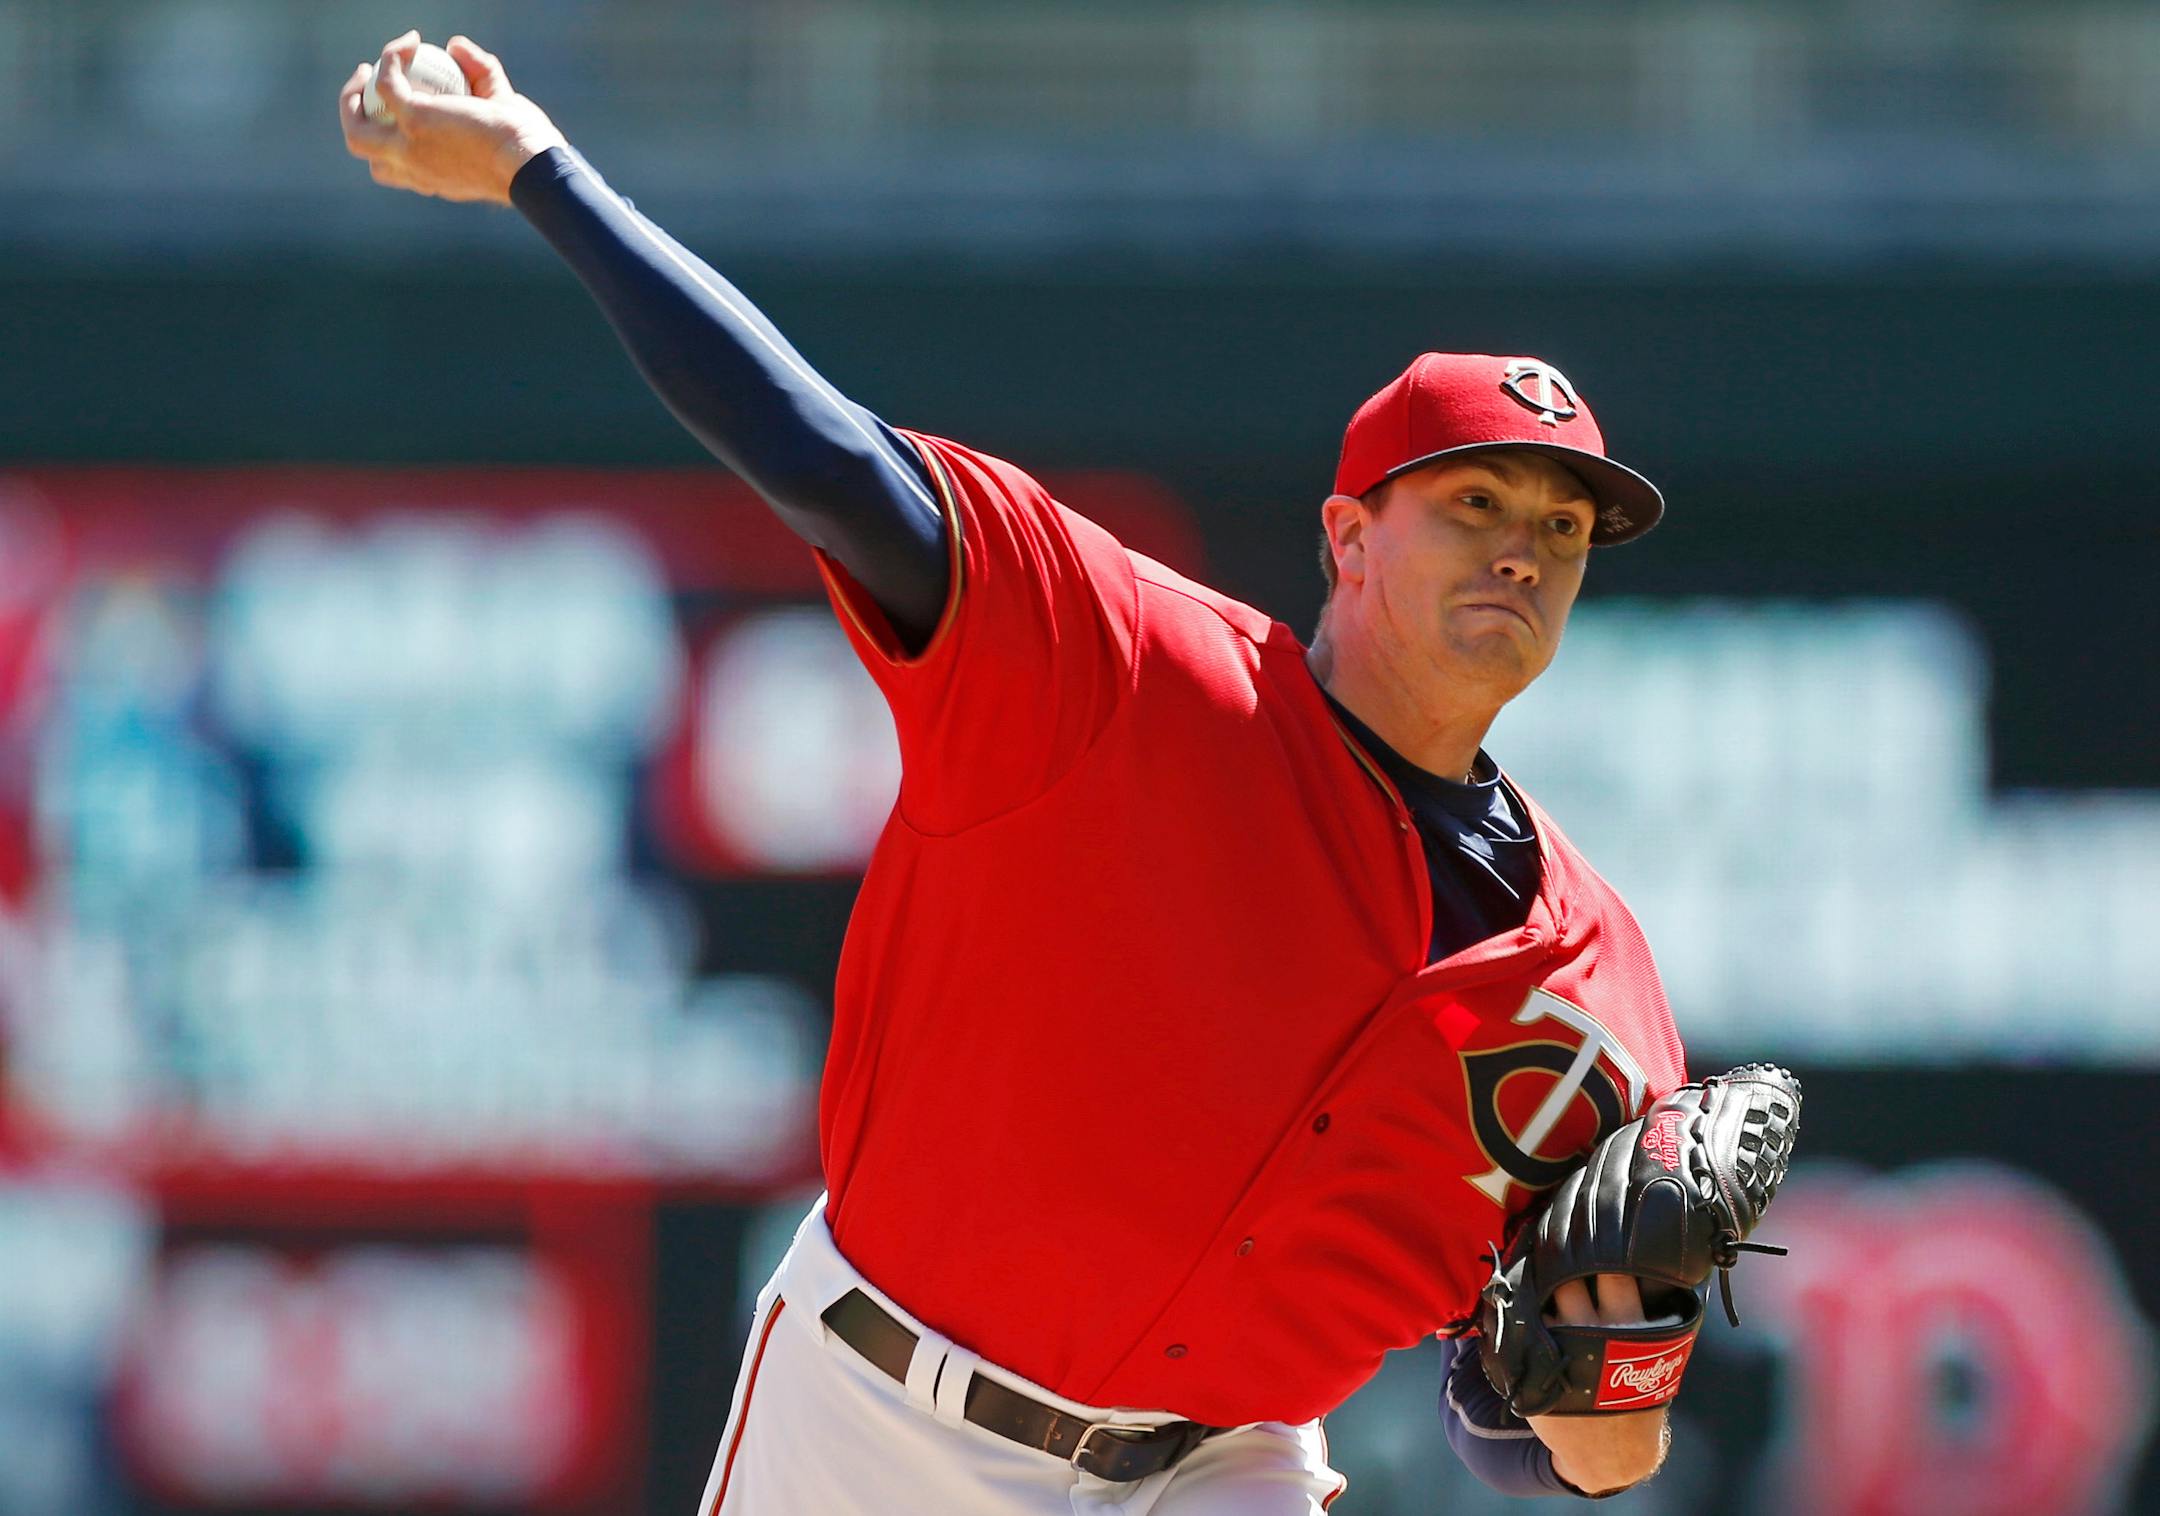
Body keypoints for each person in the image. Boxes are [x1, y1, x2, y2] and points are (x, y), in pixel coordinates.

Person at [339, 33, 1691, 1512]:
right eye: (1477, 499)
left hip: (1226, 1470)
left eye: (1564, 529)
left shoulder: (1599, 997)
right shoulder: (1118, 667)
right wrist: (547, 173)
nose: (1524, 546)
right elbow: (813, 446)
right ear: (1349, 540)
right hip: (881, 1423)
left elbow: (1551, 1451)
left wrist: (1616, 1381)